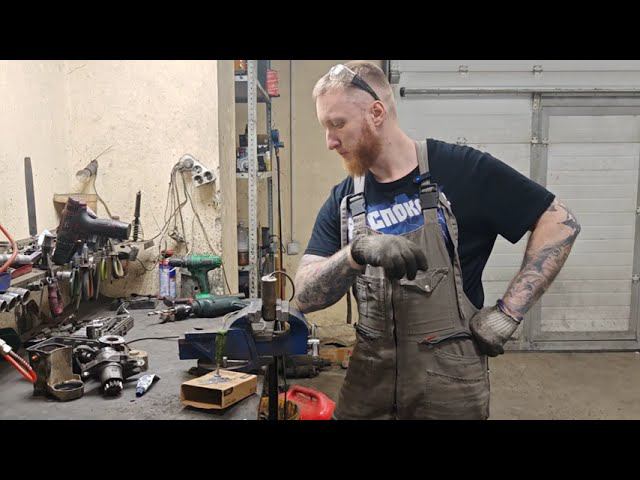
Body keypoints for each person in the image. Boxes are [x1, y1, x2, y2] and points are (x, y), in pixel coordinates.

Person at [292, 61, 581, 420]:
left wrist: (509, 312)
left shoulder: (462, 170)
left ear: (376, 113)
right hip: (368, 382)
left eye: (338, 124)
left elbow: (559, 222)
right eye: (325, 127)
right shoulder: (346, 199)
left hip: (450, 384)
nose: (330, 142)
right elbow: (303, 296)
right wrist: (354, 253)